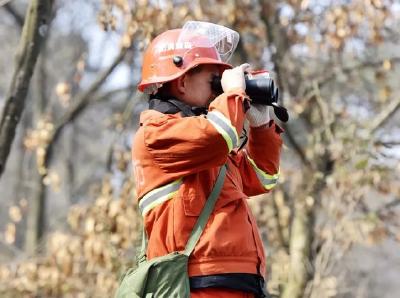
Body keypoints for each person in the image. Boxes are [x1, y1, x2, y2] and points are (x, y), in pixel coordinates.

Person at [131, 22, 283, 298]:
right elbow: (217, 135)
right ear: (181, 81)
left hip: (240, 284)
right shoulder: (156, 134)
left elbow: (263, 176)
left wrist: (261, 126)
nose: (219, 91)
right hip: (197, 285)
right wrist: (235, 94)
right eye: (214, 80)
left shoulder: (206, 144)